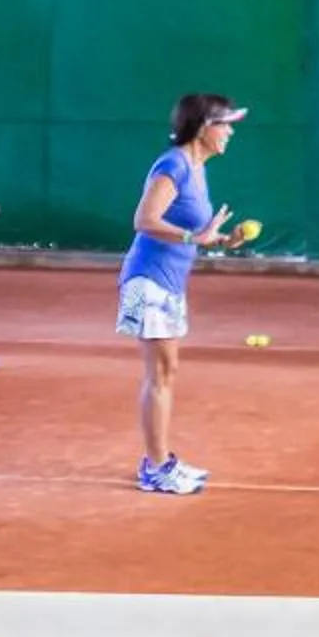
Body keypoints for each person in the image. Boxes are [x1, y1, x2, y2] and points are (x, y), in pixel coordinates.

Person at [118, 93, 245, 495]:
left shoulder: (197, 168)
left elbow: (193, 233)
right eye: (225, 125)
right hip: (149, 278)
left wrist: (220, 240)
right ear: (204, 126)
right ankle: (155, 467)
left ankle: (160, 459)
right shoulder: (172, 164)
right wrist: (195, 235)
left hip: (170, 281)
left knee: (166, 373)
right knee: (158, 375)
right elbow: (144, 219)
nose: (230, 133)